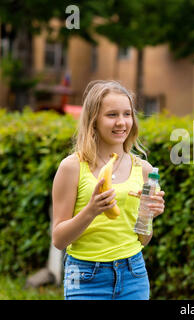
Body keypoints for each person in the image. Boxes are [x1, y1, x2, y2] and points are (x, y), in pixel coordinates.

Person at [52, 80, 165, 300]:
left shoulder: (144, 170)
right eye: (112, 115)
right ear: (93, 120)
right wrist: (91, 211)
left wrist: (149, 215)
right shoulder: (72, 167)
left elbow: (143, 239)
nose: (122, 122)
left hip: (133, 273)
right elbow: (58, 240)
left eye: (127, 114)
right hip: (84, 275)